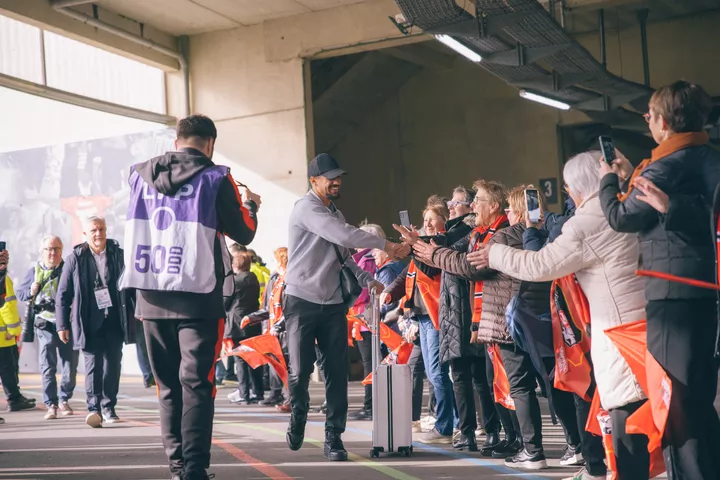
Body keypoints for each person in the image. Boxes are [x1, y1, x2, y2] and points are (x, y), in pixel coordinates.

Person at [470, 153, 649, 479]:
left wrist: (494, 253)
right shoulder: (630, 205)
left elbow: (539, 264)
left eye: (567, 189)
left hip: (618, 337)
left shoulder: (589, 222)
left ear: (577, 189)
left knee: (627, 423)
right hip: (642, 330)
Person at [118, 114, 259, 480]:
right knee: (197, 385)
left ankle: (177, 465)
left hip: (151, 296)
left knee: (167, 387)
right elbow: (243, 231)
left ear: (176, 142)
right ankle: (194, 468)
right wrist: (251, 205)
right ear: (210, 143)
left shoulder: (139, 175)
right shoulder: (216, 178)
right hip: (199, 297)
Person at [598, 81, 720, 480]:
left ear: (663, 122)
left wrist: (608, 181)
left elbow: (621, 217)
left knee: (676, 401)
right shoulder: (709, 158)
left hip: (671, 295)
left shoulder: (663, 166)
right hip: (705, 291)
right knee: (698, 398)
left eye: (649, 115)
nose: (647, 121)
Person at [284, 153, 402, 462]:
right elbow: (343, 235)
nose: (337, 181)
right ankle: (298, 413)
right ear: (314, 181)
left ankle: (333, 437)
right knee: (300, 371)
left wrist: (367, 279)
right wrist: (387, 245)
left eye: (339, 177)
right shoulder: (306, 208)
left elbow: (344, 257)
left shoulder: (334, 212)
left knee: (336, 374)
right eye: (330, 177)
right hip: (301, 301)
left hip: (333, 304)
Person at [385, 202, 459, 445]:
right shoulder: (423, 247)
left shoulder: (440, 246)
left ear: (444, 221)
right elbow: (407, 274)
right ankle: (452, 422)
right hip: (422, 316)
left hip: (436, 316)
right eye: (425, 219)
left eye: (432, 219)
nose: (427, 224)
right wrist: (389, 294)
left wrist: (415, 243)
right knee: (433, 372)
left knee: (437, 373)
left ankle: (446, 426)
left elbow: (428, 267)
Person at [56, 216, 135, 428]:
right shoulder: (75, 258)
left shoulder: (118, 254)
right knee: (93, 367)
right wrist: (62, 325)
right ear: (85, 234)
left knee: (113, 366)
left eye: (101, 229)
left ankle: (109, 407)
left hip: (114, 320)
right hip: (88, 322)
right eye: (93, 230)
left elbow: (132, 287)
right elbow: (63, 294)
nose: (98, 233)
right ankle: (94, 409)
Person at [16, 235, 79, 419]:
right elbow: (21, 293)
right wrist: (31, 291)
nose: (53, 253)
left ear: (62, 250)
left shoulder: (69, 269)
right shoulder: (34, 271)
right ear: (42, 251)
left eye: (56, 249)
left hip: (67, 324)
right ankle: (51, 404)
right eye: (49, 249)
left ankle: (64, 399)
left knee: (70, 366)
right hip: (44, 323)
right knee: (48, 366)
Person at [243, 247, 290, 410]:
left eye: (276, 260)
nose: (274, 263)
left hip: (286, 331)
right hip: (275, 329)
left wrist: (278, 325)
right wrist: (251, 317)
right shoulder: (277, 280)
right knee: (275, 364)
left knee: (286, 365)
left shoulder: (289, 281)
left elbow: (290, 309)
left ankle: (290, 400)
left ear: (281, 262)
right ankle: (281, 396)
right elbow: (269, 308)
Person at [348, 223, 382, 421]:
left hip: (366, 318)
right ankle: (370, 405)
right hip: (364, 318)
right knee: (369, 362)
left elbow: (361, 292)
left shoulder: (367, 260)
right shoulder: (366, 258)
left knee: (370, 363)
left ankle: (370, 406)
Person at [0, 251, 36, 414]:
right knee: (8, 369)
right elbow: (6, 306)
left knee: (9, 368)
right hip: (3, 336)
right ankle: (14, 399)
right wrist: (14, 329)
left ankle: (16, 397)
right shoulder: (3, 280)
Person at [225, 252, 263, 405]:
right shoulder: (253, 278)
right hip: (253, 322)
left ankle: (244, 393)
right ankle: (258, 392)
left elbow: (226, 302)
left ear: (235, 265)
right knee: (254, 358)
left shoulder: (234, 281)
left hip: (236, 324)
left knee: (240, 359)